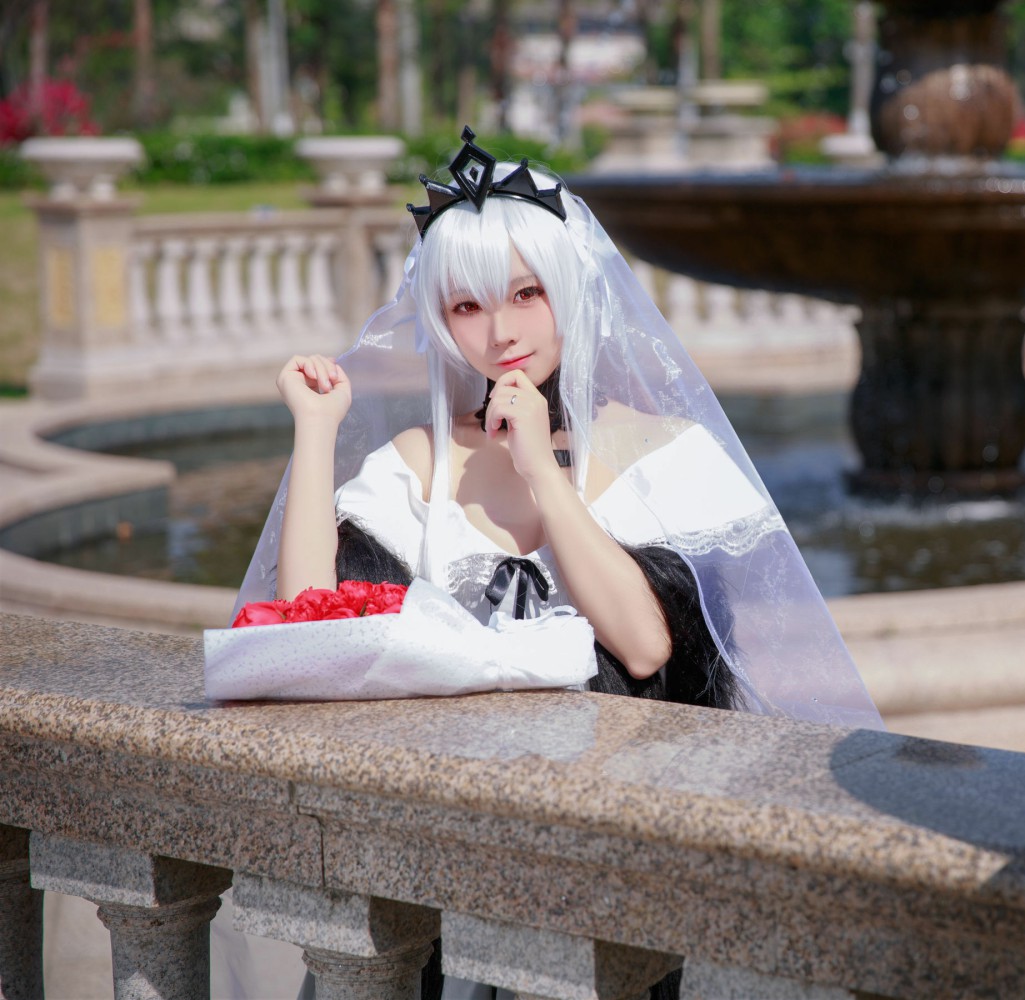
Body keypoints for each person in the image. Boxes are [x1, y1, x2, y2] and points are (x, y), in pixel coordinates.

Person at [223, 129, 882, 998]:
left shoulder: (662, 450)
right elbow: (310, 623)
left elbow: (646, 645)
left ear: (570, 288)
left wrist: (540, 466)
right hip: (445, 856)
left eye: (526, 294)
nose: (501, 333)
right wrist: (316, 433)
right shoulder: (421, 461)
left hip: (618, 854)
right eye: (467, 307)